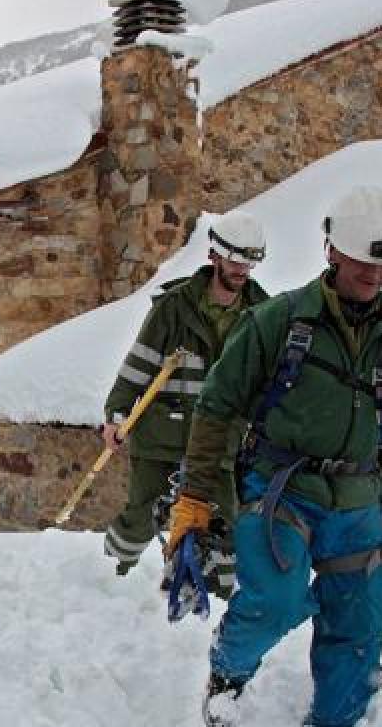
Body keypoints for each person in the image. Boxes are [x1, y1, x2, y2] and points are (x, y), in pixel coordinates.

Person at [166, 186, 382, 727]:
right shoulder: (278, 322)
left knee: (357, 632)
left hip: (359, 505)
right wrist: (195, 499)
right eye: (362, 259)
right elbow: (218, 407)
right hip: (280, 490)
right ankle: (227, 673)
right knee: (278, 600)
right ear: (333, 251)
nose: (373, 274)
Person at [102, 210, 268, 576]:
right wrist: (116, 415)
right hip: (162, 434)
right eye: (236, 259)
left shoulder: (261, 314)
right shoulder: (174, 308)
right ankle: (111, 576)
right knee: (142, 516)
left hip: (218, 443)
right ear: (215, 256)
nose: (242, 269)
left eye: (250, 261)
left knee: (223, 524)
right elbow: (138, 367)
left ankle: (218, 598)